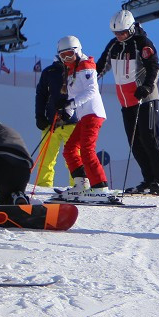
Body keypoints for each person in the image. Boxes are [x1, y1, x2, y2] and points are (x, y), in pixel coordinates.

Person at [96, 10, 159, 195]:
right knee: (135, 142)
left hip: (145, 98)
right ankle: (150, 180)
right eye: (116, 33)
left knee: (150, 139)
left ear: (132, 28)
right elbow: (101, 67)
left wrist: (148, 87)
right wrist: (89, 79)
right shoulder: (114, 45)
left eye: (123, 32)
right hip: (126, 102)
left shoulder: (142, 43)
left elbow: (154, 66)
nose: (119, 36)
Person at [56, 35, 114, 202]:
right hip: (83, 116)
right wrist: (66, 112)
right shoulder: (71, 70)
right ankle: (82, 183)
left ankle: (100, 187)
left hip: (93, 114)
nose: (67, 59)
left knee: (87, 149)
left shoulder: (85, 66)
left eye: (69, 54)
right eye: (63, 56)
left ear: (77, 51)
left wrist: (71, 104)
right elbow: (75, 96)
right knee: (70, 149)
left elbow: (91, 91)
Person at [33, 55, 77, 188]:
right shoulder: (50, 72)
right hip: (51, 122)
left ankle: (78, 185)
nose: (66, 58)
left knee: (74, 156)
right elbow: (41, 95)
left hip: (72, 122)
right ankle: (43, 185)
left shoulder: (77, 70)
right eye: (63, 55)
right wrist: (39, 116)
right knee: (46, 157)